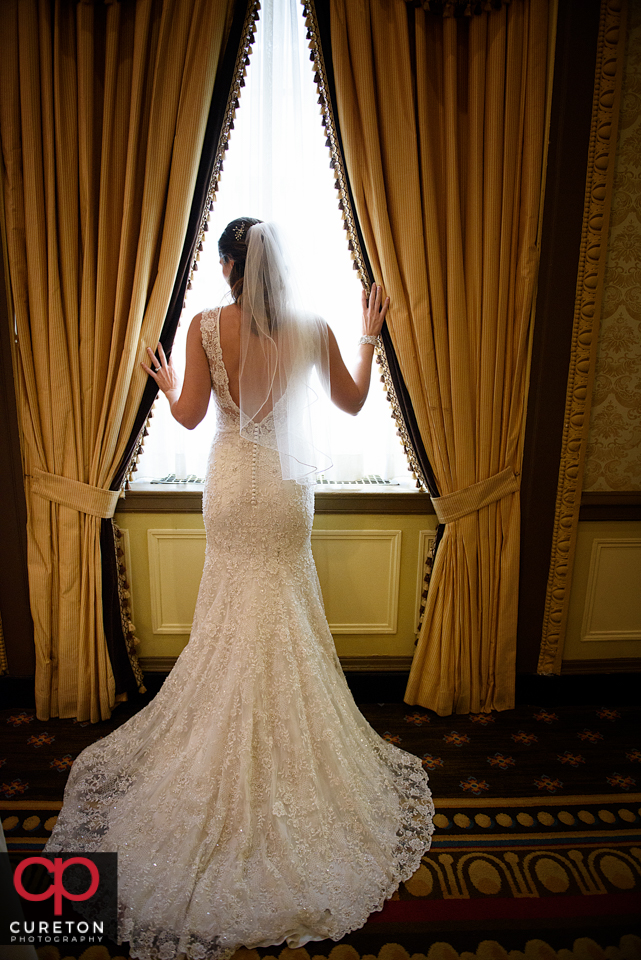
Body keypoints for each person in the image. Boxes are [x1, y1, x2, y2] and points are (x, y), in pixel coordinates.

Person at [45, 219, 434, 960]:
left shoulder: (203, 327)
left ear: (227, 267)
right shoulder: (311, 326)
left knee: (227, 618)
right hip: (284, 496)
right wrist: (368, 337)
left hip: (229, 491)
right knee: (282, 613)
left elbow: (191, 416)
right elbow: (352, 405)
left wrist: (163, 384)